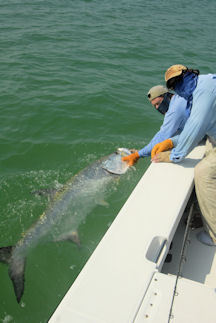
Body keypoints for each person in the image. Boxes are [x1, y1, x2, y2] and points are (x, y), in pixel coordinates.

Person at [151, 64, 216, 246]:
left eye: (179, 80)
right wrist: (172, 141)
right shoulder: (205, 83)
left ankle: (214, 234)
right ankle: (203, 210)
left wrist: (172, 155)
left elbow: (195, 127)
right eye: (173, 85)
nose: (177, 87)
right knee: (209, 151)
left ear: (189, 74)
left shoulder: (204, 95)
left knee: (203, 173)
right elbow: (200, 128)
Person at [122, 85, 189, 166]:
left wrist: (138, 155)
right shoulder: (178, 99)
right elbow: (162, 133)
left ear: (166, 95)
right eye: (155, 106)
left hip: (204, 135)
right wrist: (142, 151)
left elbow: (162, 137)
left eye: (158, 103)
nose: (158, 107)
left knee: (167, 141)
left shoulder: (174, 110)